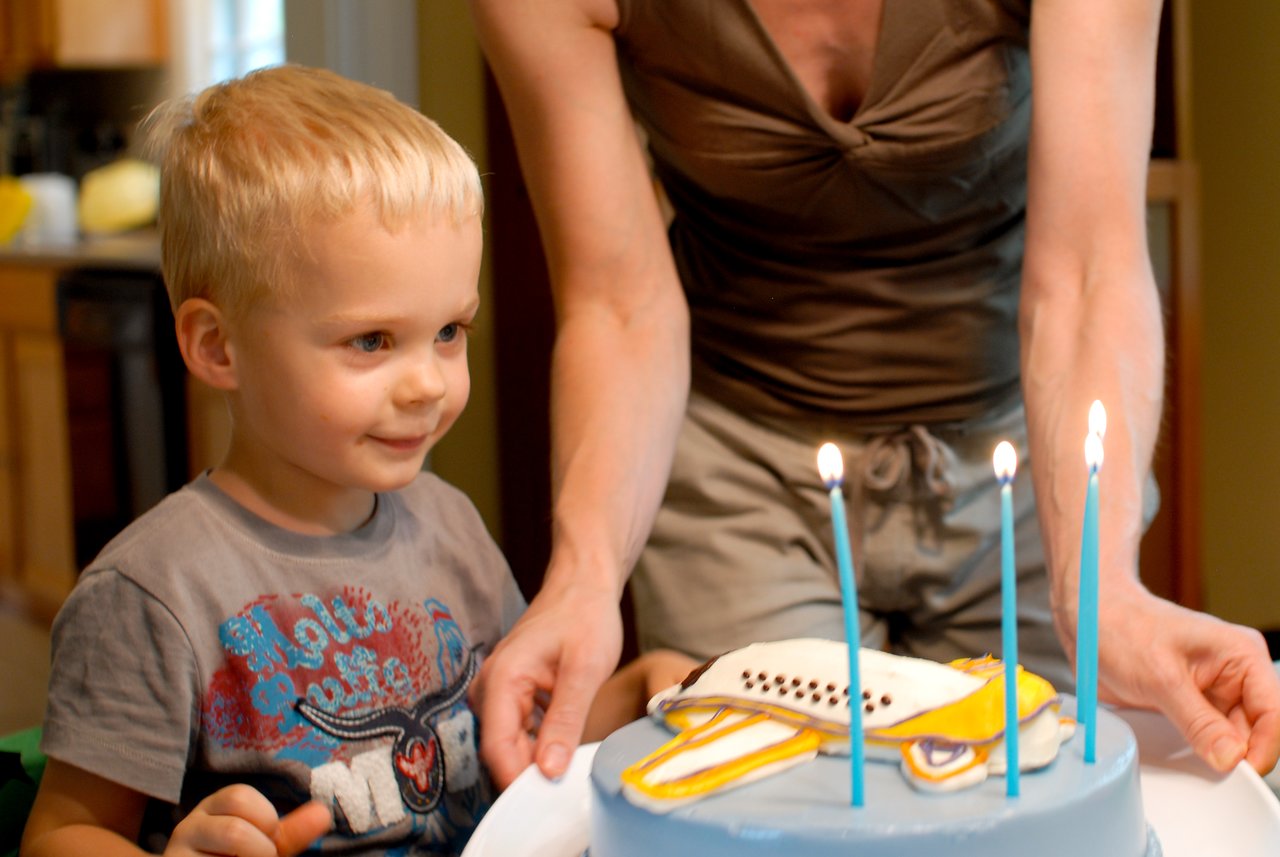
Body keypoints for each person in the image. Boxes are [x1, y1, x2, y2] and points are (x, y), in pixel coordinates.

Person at [467, 0, 1280, 791]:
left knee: (1042, 792)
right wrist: (582, 576)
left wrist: (1100, 590)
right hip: (738, 464)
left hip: (1028, 458)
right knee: (786, 809)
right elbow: (619, 305)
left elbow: (1087, 277)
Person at [20, 65, 694, 857]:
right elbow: (65, 833)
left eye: (449, 331)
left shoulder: (451, 525)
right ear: (217, 345)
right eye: (371, 341)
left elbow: (521, 728)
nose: (428, 384)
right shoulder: (151, 593)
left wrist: (653, 692)